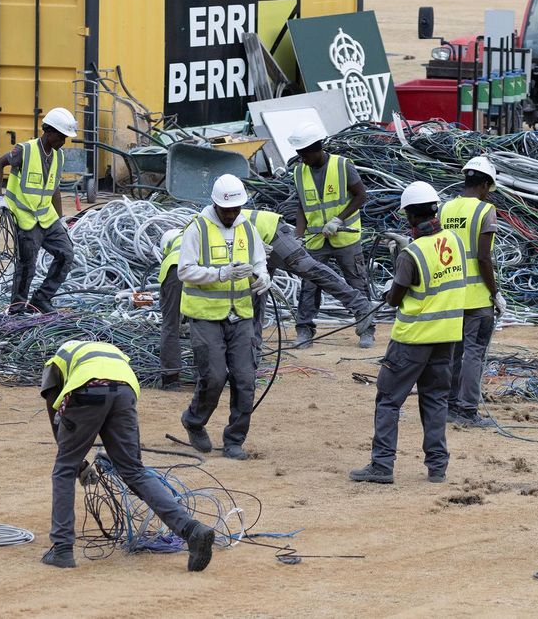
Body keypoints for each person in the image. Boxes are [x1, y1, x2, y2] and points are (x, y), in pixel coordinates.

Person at [39, 339, 216, 572]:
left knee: (63, 469)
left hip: (88, 389)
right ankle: (191, 529)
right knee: (134, 471)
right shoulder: (110, 354)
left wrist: (76, 464)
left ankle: (62, 549)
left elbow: (55, 409)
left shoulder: (57, 360)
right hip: (125, 391)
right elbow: (117, 400)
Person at [157, 206, 376, 389]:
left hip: (271, 233)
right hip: (258, 242)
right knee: (254, 300)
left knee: (310, 270)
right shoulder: (197, 231)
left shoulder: (204, 227)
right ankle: (251, 360)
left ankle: (360, 305)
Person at [350, 181, 468, 486]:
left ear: (411, 216)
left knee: (388, 400)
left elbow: (395, 298)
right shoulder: (454, 241)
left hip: (412, 339)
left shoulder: (411, 254)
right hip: (447, 338)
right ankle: (437, 468)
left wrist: (397, 266)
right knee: (435, 400)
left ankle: (382, 465)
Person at [177, 174, 270, 461]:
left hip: (240, 314)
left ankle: (235, 439)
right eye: (226, 210)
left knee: (245, 379)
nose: (231, 214)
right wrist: (220, 273)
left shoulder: (247, 228)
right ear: (215, 205)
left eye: (235, 209)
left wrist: (261, 277)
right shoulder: (198, 229)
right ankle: (194, 420)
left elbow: (259, 261)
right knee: (214, 377)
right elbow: (184, 271)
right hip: (206, 317)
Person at [288, 122, 377, 349]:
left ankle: (366, 329)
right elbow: (301, 205)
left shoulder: (341, 165)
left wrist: (338, 219)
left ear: (318, 148)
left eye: (305, 154)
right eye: (299, 154)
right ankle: (304, 330)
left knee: (356, 281)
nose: (302, 158)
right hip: (316, 240)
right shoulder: (300, 171)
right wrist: (299, 235)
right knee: (309, 284)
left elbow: (360, 196)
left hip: (345, 238)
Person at [0, 107, 80, 314]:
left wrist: (61, 219)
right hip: (25, 216)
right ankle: (18, 306)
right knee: (27, 264)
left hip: (46, 217)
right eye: (61, 137)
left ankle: (41, 299)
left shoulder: (58, 156)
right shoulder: (25, 150)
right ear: (48, 132)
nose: (64, 142)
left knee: (66, 254)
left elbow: (54, 187)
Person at [440, 155, 506, 428]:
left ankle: (451, 406)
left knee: (453, 353)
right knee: (474, 353)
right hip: (477, 297)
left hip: (450, 293)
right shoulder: (484, 211)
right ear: (486, 186)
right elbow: (483, 258)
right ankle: (468, 410)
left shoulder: (445, 209)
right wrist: (495, 293)